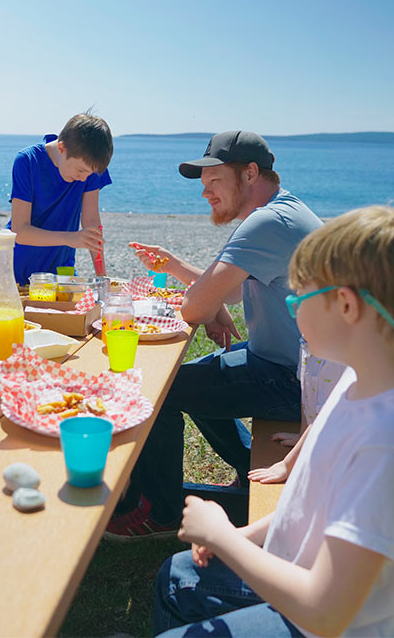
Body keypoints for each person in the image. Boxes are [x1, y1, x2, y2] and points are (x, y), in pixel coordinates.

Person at [153, 206, 394, 637]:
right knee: (178, 576)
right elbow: (314, 505)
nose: (292, 311)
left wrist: (224, 536)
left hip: (346, 623)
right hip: (307, 578)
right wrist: (246, 536)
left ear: (346, 305)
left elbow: (326, 612)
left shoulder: (393, 441)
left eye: (298, 298)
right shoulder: (362, 374)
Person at [106, 131, 322, 538]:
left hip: (292, 379)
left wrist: (207, 306)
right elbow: (234, 289)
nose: (206, 194)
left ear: (250, 173)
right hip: (291, 363)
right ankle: (247, 466)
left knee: (160, 391)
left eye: (214, 182)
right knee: (198, 374)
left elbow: (194, 307)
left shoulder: (266, 223)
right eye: (203, 186)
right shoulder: (283, 212)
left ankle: (163, 511)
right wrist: (181, 272)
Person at [6, 112, 113, 285]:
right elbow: (19, 231)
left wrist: (102, 278)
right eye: (80, 171)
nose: (84, 179)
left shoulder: (90, 166)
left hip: (62, 271)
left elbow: (92, 223)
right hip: (17, 268)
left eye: (89, 174)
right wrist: (69, 238)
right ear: (61, 148)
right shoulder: (28, 161)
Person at [247, 341, 347, 485]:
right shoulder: (309, 342)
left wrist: (287, 465)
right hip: (324, 444)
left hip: (342, 456)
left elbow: (324, 420)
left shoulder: (337, 360)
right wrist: (302, 433)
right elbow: (306, 391)